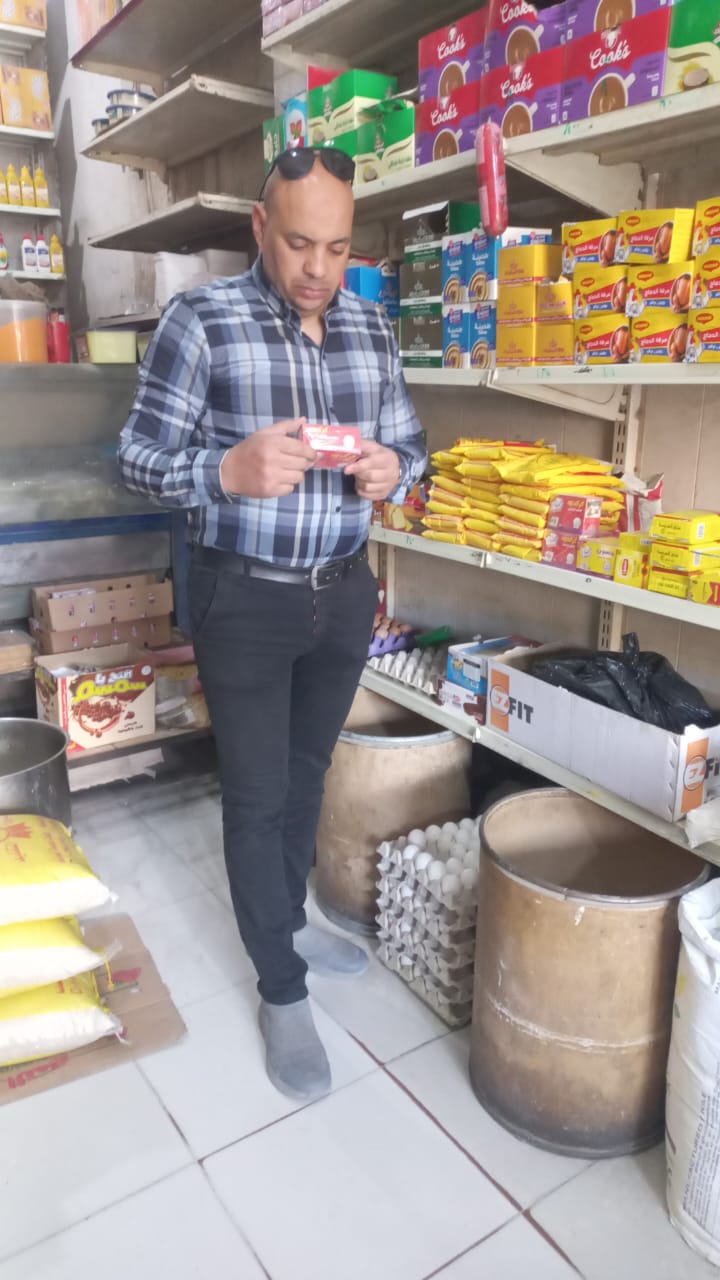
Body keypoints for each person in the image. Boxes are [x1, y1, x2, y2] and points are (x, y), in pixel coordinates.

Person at [118, 146, 427, 1101]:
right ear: (260, 227)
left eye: (337, 248)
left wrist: (395, 469)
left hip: (344, 593)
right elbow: (134, 459)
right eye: (298, 243)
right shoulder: (202, 320)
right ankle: (280, 987)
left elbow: (411, 443)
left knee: (306, 775)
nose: (318, 269)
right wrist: (223, 469)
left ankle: (286, 921)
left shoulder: (370, 328)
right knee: (255, 795)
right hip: (244, 594)